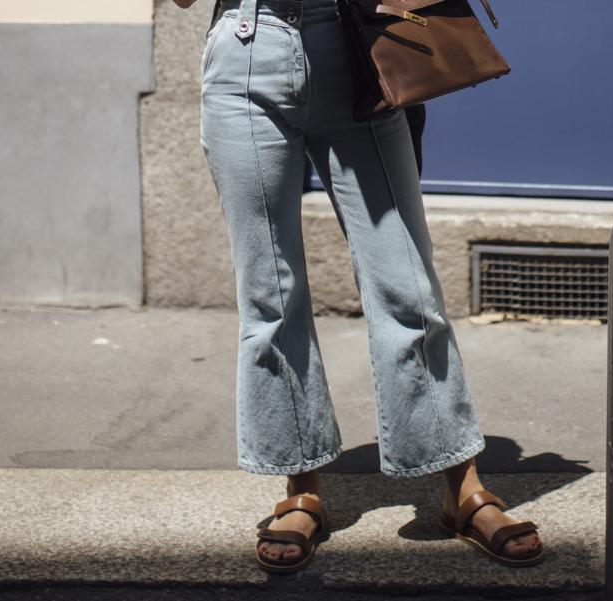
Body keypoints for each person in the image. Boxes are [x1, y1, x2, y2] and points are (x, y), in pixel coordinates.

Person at [175, 0, 544, 572]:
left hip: (354, 47)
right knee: (270, 295)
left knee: (408, 288)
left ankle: (461, 484)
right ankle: (301, 488)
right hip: (246, 55)